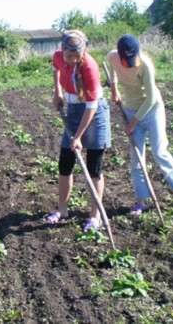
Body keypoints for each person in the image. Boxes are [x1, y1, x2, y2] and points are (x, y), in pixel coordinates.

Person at [106, 34, 173, 215]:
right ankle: (141, 201)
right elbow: (112, 69)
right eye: (127, 59)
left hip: (152, 110)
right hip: (130, 109)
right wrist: (114, 88)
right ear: (120, 55)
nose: (131, 62)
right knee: (137, 158)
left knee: (159, 151)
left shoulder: (145, 65)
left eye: (133, 58)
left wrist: (133, 123)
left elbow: (152, 98)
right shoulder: (112, 56)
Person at [46, 29, 111, 232]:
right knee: (65, 163)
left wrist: (79, 136)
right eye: (69, 56)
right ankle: (62, 210)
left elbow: (91, 107)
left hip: (95, 113)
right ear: (63, 51)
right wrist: (58, 93)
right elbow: (56, 70)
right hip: (73, 110)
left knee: (94, 166)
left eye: (77, 56)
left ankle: (95, 217)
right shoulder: (58, 56)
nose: (74, 60)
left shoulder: (90, 67)